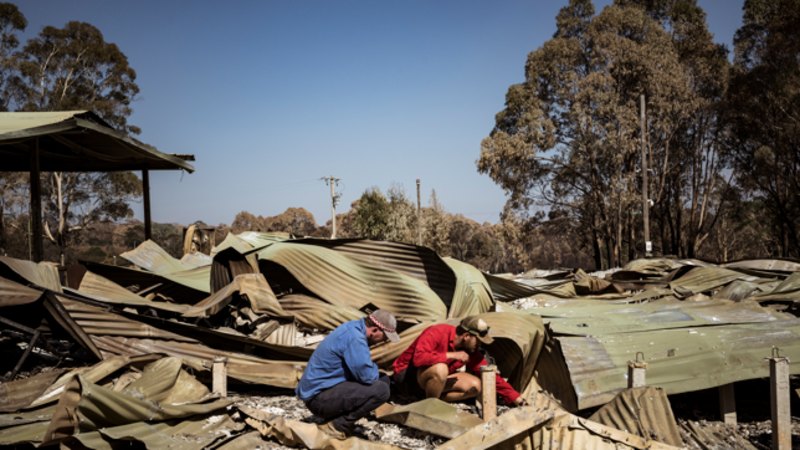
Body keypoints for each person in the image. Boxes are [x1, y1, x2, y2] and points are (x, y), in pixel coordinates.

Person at [296, 309, 400, 439]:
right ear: (374, 330)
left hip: (323, 391)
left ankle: (338, 419)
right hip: (318, 399)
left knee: (383, 379)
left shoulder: (353, 327)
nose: (383, 341)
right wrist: (373, 367)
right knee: (382, 390)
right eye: (384, 337)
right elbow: (367, 376)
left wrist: (371, 369)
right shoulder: (355, 338)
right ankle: (336, 426)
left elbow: (364, 370)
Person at [392, 316, 527, 406]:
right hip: (407, 377)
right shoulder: (437, 332)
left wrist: (516, 399)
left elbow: (492, 376)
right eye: (478, 341)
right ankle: (429, 408)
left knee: (476, 386)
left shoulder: (470, 351)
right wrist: (451, 355)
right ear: (467, 336)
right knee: (441, 369)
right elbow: (418, 359)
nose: (479, 346)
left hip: (431, 382)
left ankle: (431, 399)